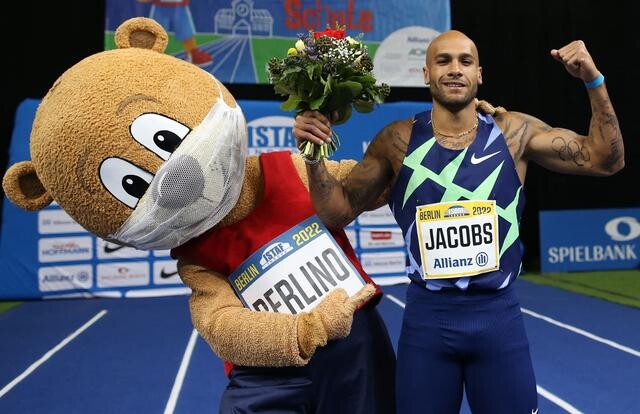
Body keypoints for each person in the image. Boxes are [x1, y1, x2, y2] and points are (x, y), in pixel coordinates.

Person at [293, 30, 624, 414]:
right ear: (426, 73)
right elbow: (337, 212)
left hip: (499, 322)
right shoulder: (397, 141)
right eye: (443, 61)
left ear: (479, 74)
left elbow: (606, 160)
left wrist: (593, 81)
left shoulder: (514, 133)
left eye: (465, 61)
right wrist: (313, 157)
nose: (454, 69)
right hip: (427, 327)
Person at [137, 0, 213, 66]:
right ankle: (155, 53)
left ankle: (192, 53)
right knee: (158, 31)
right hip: (161, 6)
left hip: (180, 6)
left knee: (185, 30)